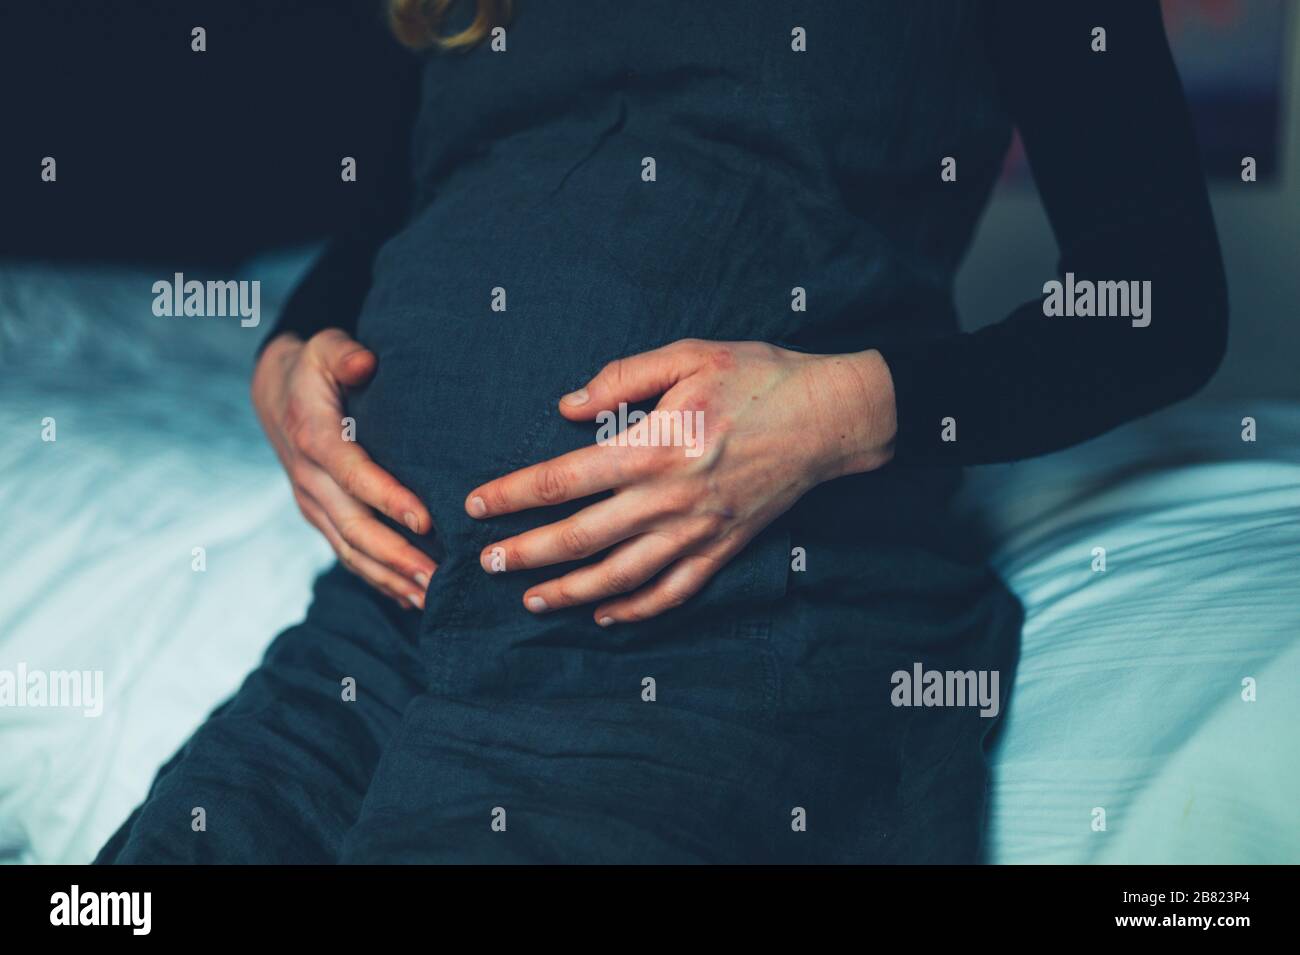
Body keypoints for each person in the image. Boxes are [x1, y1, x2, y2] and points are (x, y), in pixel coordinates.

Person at [98, 0, 1226, 863]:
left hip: (717, 627)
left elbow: (1160, 299)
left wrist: (842, 412)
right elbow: (389, 219)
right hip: (379, 624)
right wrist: (286, 359)